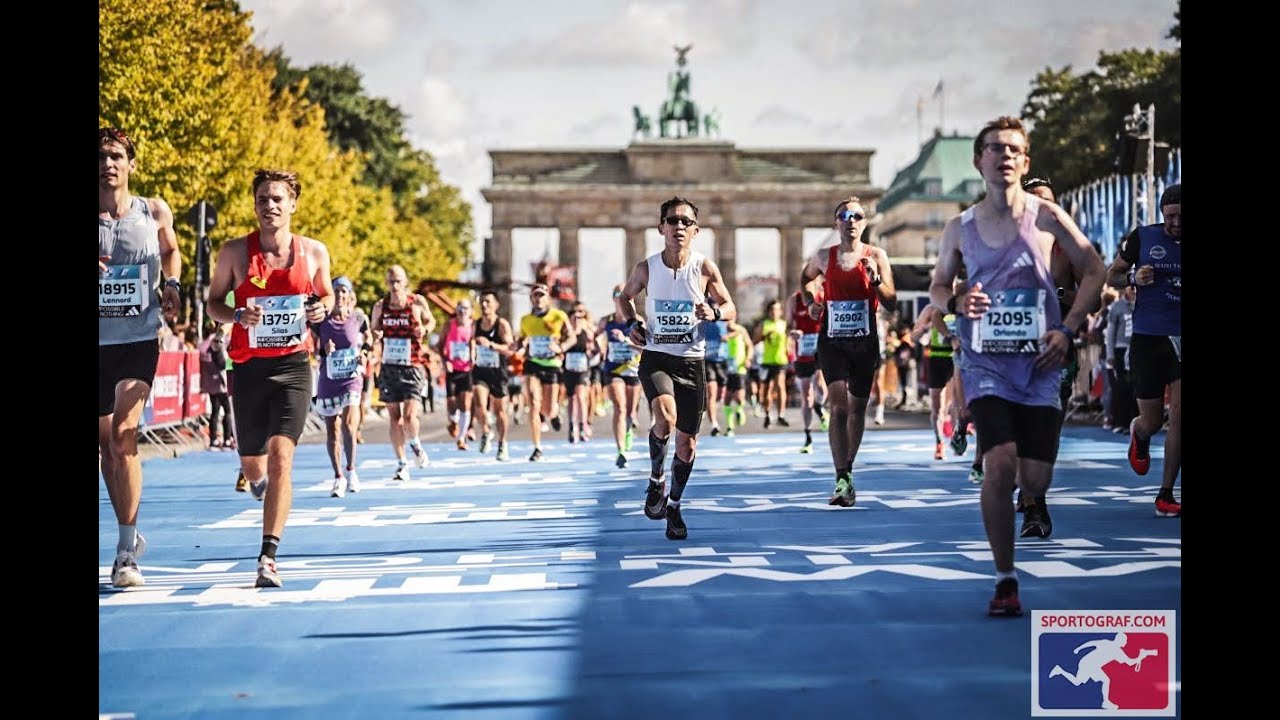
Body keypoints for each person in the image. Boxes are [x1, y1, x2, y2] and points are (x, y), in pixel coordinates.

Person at [928, 116, 1105, 616]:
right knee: (1000, 461)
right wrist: (955, 303)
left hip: (1042, 361)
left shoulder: (1048, 217)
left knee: (1034, 481)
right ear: (978, 159)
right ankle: (1005, 578)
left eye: (1013, 149)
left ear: (1025, 161)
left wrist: (1066, 328)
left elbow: (1095, 269)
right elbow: (938, 286)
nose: (1003, 156)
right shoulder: (960, 227)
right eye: (994, 148)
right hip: (986, 362)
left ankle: (1030, 503)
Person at [206, 168, 336, 588]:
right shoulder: (234, 253)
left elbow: (327, 294)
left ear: (293, 204)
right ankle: (258, 483)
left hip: (293, 366)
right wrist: (236, 314)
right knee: (253, 464)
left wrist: (322, 308)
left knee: (282, 456)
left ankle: (268, 556)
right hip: (248, 368)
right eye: (263, 199)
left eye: (278, 198)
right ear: (255, 205)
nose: (270, 206)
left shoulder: (314, 251)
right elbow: (212, 303)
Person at [618, 196, 737, 540]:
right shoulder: (646, 267)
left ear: (696, 230)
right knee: (665, 417)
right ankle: (656, 479)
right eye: (673, 220)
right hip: (657, 356)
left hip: (691, 362)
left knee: (687, 446)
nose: (679, 226)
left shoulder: (704, 268)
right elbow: (624, 297)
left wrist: (714, 313)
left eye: (686, 222)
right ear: (661, 228)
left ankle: (673, 505)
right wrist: (632, 324)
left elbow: (730, 306)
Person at [99, 126, 181, 588]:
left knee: (124, 436)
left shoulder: (153, 210)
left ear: (131, 164)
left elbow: (171, 251)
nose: (107, 164)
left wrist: (172, 285)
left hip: (138, 339)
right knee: (107, 450)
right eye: (100, 157)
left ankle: (125, 552)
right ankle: (127, 529)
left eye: (115, 156)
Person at [798, 196, 897, 508]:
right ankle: (841, 475)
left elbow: (892, 302)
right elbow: (805, 279)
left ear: (864, 223)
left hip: (865, 342)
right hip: (832, 341)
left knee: (857, 409)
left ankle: (848, 469)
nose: (850, 221)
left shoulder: (877, 255)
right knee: (838, 405)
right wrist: (811, 302)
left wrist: (876, 280)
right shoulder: (823, 256)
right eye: (844, 216)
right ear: (836, 223)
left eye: (856, 216)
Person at [1106, 183, 1181, 517]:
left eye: (1182, 216)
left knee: (1179, 418)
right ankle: (1140, 432)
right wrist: (1134, 278)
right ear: (1163, 214)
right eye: (1171, 216)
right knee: (1152, 421)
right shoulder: (1144, 237)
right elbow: (1112, 276)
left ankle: (1166, 494)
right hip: (1148, 339)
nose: (1176, 223)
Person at [371, 265, 435, 480]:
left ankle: (415, 444)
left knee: (409, 416)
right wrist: (376, 335)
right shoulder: (381, 306)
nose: (395, 285)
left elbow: (431, 320)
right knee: (394, 418)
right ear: (386, 283)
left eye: (398, 281)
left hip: (413, 364)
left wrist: (424, 329)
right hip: (390, 365)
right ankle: (401, 463)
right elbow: (374, 328)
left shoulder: (416, 302)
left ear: (405, 282)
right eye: (391, 281)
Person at [312, 276, 368, 497]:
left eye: (344, 291)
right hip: (329, 379)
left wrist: (364, 354)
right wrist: (324, 349)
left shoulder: (358, 319)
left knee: (349, 425)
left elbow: (369, 341)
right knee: (332, 431)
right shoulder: (321, 321)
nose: (340, 295)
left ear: (349, 295)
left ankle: (351, 470)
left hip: (351, 378)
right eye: (336, 291)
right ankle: (338, 476)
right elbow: (312, 347)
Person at [517, 283, 572, 461]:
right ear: (531, 298)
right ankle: (537, 447)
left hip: (551, 364)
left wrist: (561, 347)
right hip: (532, 363)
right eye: (535, 295)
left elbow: (572, 337)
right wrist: (519, 346)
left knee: (547, 408)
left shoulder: (558, 316)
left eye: (541, 295)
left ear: (547, 298)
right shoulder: (525, 320)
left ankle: (553, 414)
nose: (538, 299)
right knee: (533, 403)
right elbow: (521, 339)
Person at [597, 285, 645, 467]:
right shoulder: (606, 321)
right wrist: (595, 346)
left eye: (625, 295)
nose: (621, 298)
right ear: (613, 298)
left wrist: (625, 340)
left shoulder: (638, 321)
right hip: (613, 369)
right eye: (617, 294)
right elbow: (594, 337)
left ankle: (628, 430)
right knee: (619, 407)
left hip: (632, 369)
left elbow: (645, 347)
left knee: (631, 412)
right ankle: (621, 450)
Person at [471, 290, 516, 460]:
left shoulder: (501, 324)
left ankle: (502, 443)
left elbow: (510, 349)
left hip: (498, 372)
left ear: (496, 305)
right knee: (479, 403)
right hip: (481, 370)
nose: (484, 305)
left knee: (500, 411)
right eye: (482, 301)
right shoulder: (475, 325)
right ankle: (485, 432)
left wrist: (491, 345)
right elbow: (470, 343)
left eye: (488, 302)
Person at [911, 305, 958, 461]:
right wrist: (927, 327)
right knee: (937, 406)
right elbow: (914, 336)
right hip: (936, 358)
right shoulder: (931, 309)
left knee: (955, 403)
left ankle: (957, 436)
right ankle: (939, 442)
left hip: (956, 358)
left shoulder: (959, 304)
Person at [787, 289, 827, 452]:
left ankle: (819, 407)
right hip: (802, 353)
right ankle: (808, 437)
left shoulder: (822, 296)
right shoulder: (794, 300)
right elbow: (788, 326)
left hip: (820, 350)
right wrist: (794, 333)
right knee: (806, 396)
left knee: (821, 387)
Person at [438, 298, 476, 451]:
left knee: (465, 403)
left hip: (467, 369)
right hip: (452, 369)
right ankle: (453, 422)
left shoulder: (474, 326)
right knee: (452, 403)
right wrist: (445, 360)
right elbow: (440, 345)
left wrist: (474, 356)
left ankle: (461, 438)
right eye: (460, 308)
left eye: (466, 308)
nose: (462, 311)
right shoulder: (449, 325)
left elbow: (475, 343)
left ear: (471, 311)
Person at [563, 301, 598, 443]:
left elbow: (594, 345)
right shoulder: (567, 333)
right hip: (569, 368)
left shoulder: (586, 331)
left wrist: (592, 346)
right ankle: (572, 426)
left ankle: (583, 425)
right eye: (574, 317)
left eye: (580, 317)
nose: (577, 319)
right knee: (571, 398)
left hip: (582, 368)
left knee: (581, 396)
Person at [755, 299, 791, 428]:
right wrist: (763, 335)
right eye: (771, 310)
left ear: (781, 311)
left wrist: (790, 352)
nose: (774, 312)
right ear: (768, 312)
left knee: (780, 386)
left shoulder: (784, 325)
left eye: (776, 309)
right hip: (767, 361)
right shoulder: (764, 325)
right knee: (766, 390)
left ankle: (781, 415)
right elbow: (756, 340)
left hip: (780, 360)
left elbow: (789, 342)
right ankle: (768, 414)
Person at [199, 322, 235, 450]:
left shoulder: (205, 342)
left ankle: (213, 440)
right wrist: (231, 365)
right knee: (228, 410)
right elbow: (223, 363)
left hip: (211, 382)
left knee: (215, 410)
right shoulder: (218, 340)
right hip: (221, 381)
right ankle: (227, 440)